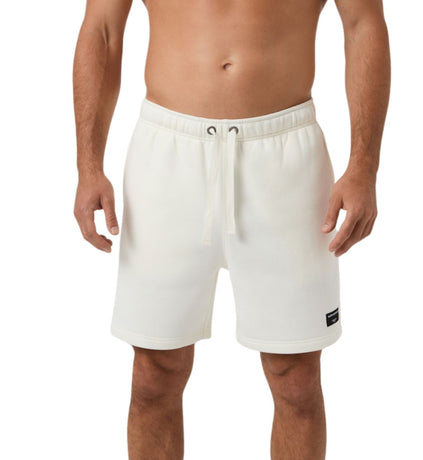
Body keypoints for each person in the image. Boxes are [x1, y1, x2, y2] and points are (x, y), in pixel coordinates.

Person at [73, 0, 390, 458]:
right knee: (154, 373)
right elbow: (102, 31)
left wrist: (364, 167)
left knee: (296, 378)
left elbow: (363, 25)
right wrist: (88, 165)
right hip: (167, 157)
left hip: (285, 160)